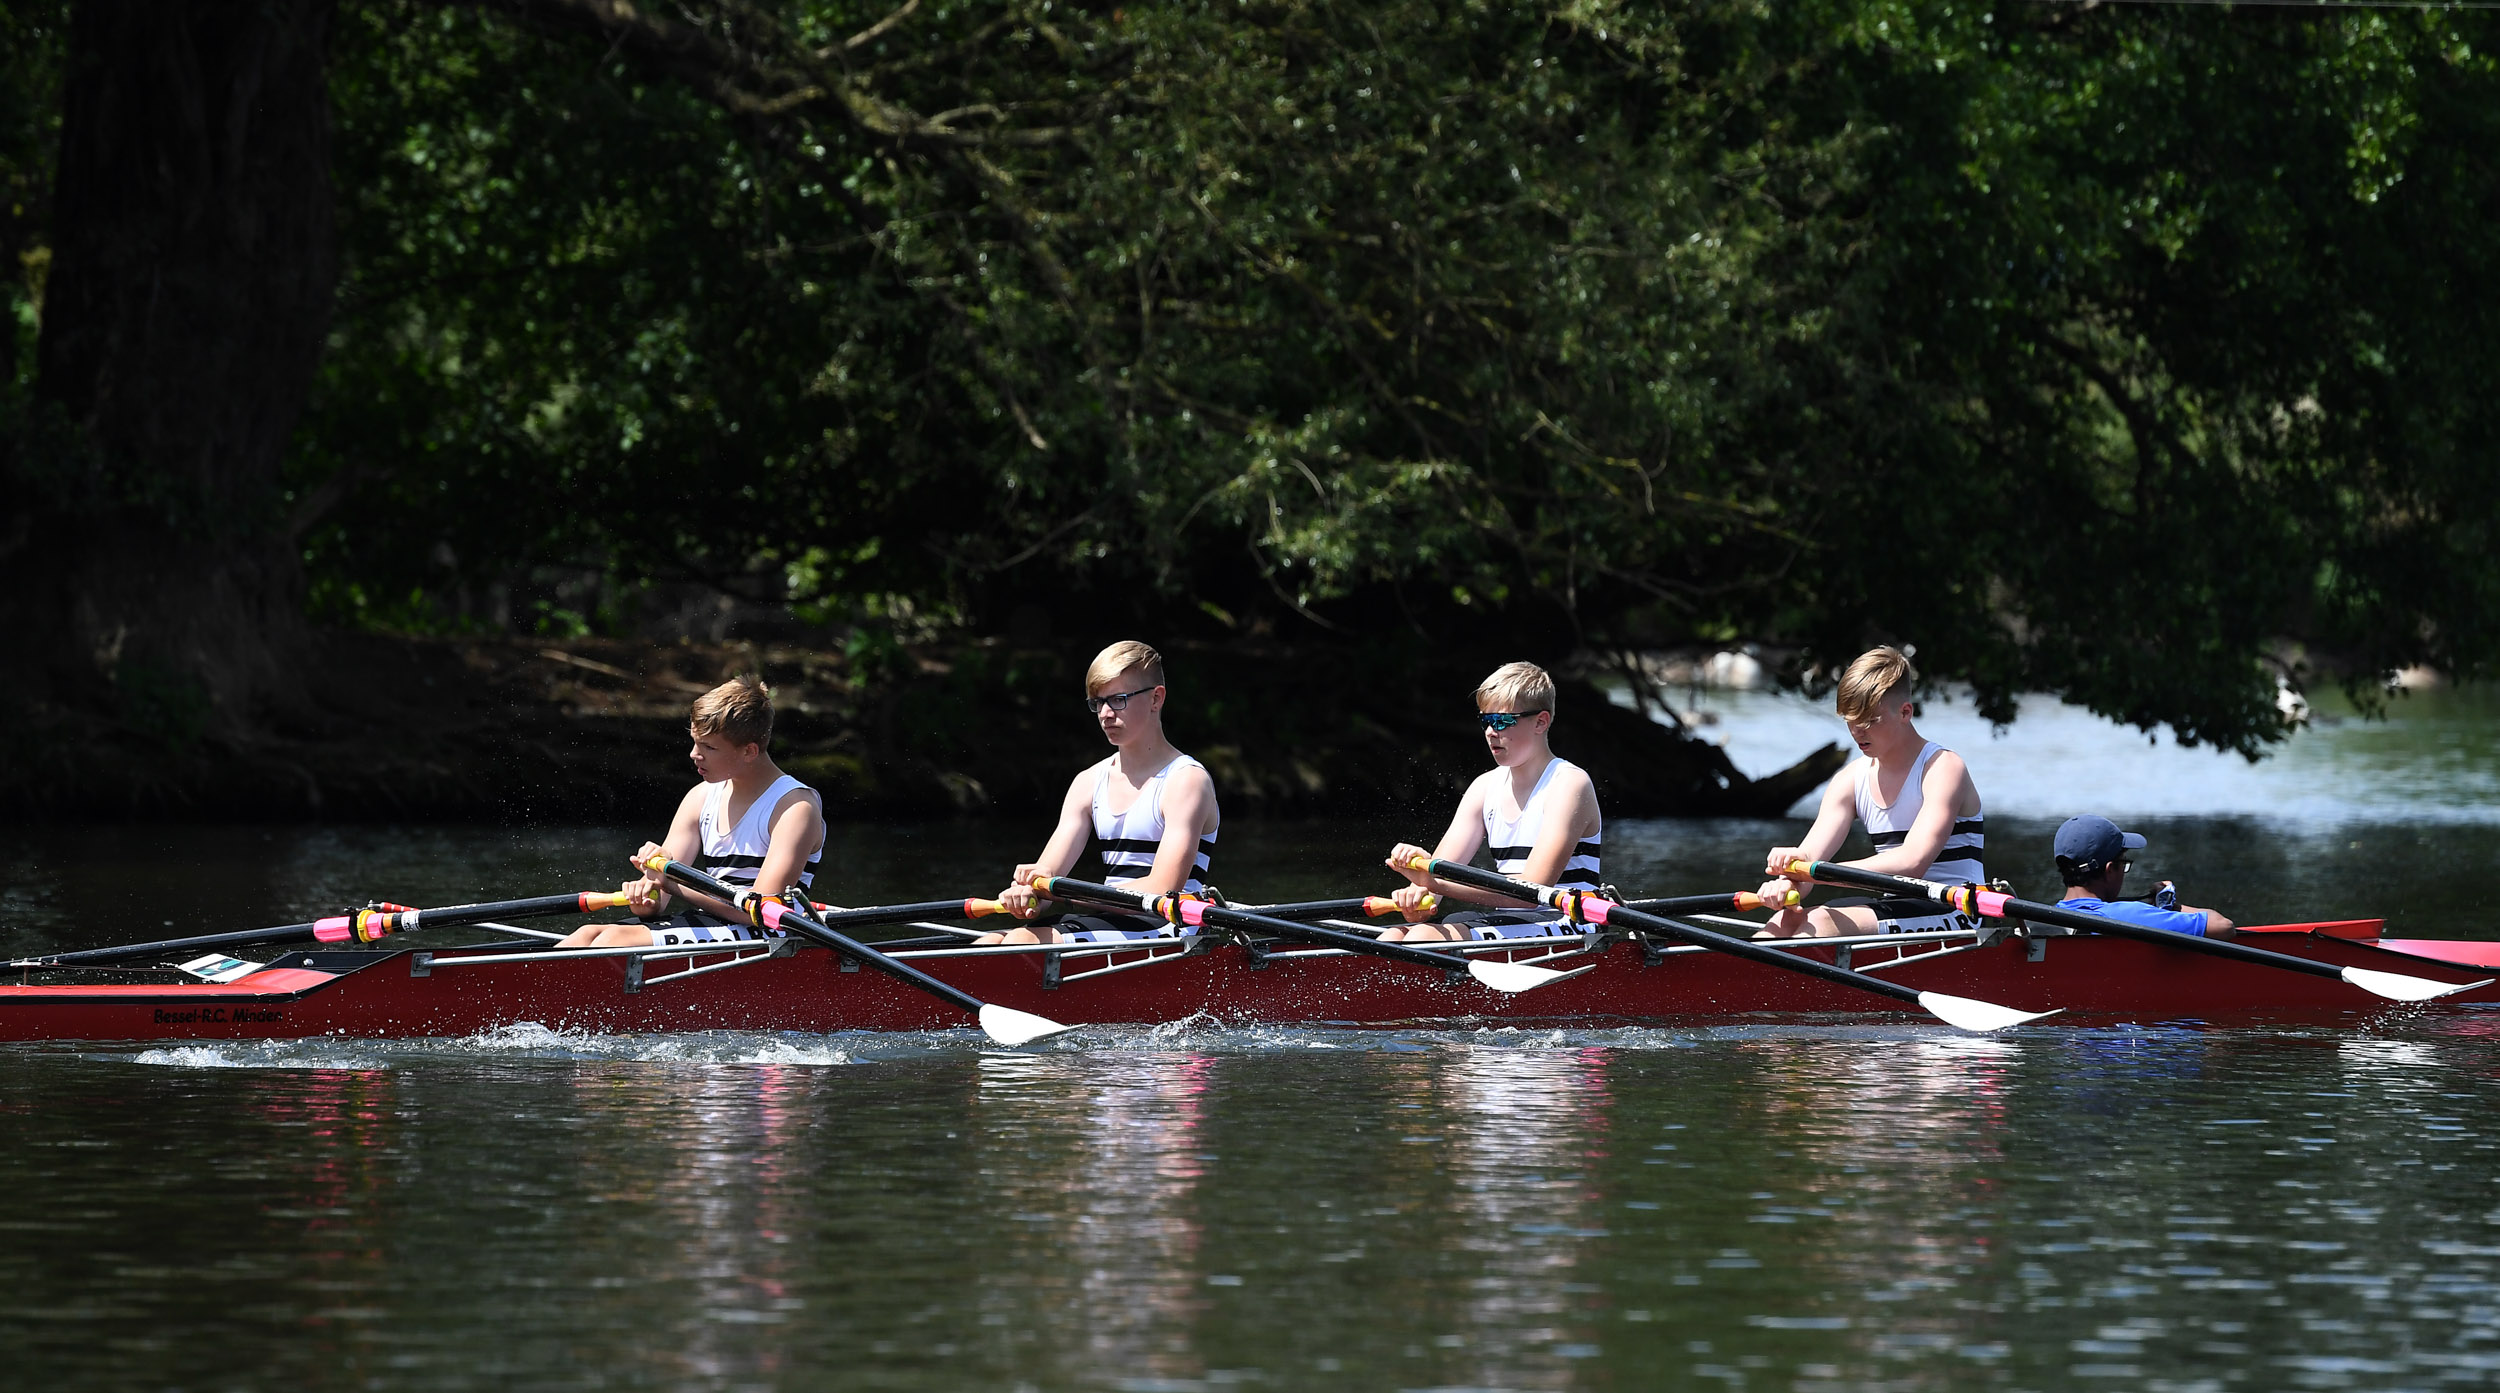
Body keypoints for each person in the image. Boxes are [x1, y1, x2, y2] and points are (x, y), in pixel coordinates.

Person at [977, 641, 1222, 944]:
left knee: (1019, 944)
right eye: (1098, 702)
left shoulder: (1186, 781)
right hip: (1110, 914)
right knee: (987, 942)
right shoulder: (1088, 782)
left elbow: (1163, 886)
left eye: (1118, 700)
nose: (1105, 714)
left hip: (1171, 924)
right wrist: (1028, 892)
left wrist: (1066, 893)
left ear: (1155, 699)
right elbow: (1048, 874)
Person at [555, 677, 825, 949]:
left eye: (709, 747)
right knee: (586, 934)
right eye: (695, 742)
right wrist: (646, 894)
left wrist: (670, 882)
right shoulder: (700, 797)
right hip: (716, 921)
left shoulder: (794, 807)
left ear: (749, 751)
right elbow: (657, 900)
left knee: (611, 940)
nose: (694, 754)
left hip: (769, 932)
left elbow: (758, 909)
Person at [1756, 645, 1985, 938]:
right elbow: (1810, 856)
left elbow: (1912, 862)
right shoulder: (1849, 780)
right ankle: (1728, 980)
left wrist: (1813, 871)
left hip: (1957, 910)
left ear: (1905, 712)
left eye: (1869, 721)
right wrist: (1788, 880)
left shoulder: (1943, 768)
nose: (1857, 732)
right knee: (1785, 922)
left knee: (1823, 921)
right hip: (1897, 903)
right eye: (1850, 720)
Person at [1380, 661, 1603, 942]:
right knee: (1392, 938)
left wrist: (1432, 880)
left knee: (1421, 939)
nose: (1490, 731)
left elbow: (1529, 894)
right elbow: (1435, 885)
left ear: (1541, 721)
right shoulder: (1484, 787)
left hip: (1569, 922)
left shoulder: (1569, 784)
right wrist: (1419, 894)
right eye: (1486, 720)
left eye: (1502, 721)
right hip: (1514, 921)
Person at [2051, 815, 2236, 939]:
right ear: (2109, 870)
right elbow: (2223, 926)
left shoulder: (2047, 920)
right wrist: (2171, 906)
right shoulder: (2126, 915)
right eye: (2123, 863)